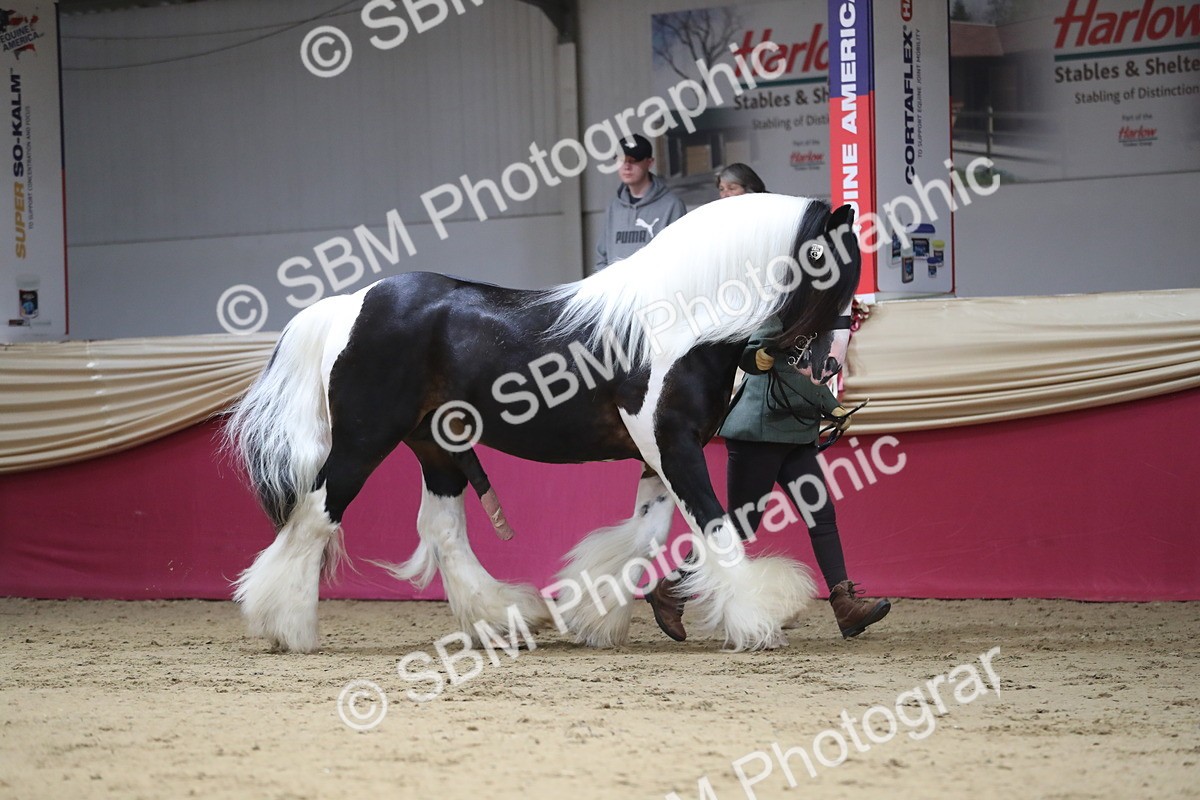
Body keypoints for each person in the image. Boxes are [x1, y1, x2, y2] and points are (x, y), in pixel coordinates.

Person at [646, 315, 891, 642]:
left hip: (797, 435)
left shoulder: (822, 323)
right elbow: (751, 353)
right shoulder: (784, 312)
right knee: (741, 525)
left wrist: (832, 408)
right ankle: (672, 589)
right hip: (759, 432)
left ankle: (844, 604)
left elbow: (812, 375)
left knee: (821, 515)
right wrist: (759, 357)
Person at [595, 134, 686, 271]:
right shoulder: (614, 207)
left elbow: (680, 256)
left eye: (633, 160)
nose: (626, 166)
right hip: (617, 290)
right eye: (621, 160)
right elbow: (602, 256)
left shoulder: (672, 205)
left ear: (649, 162)